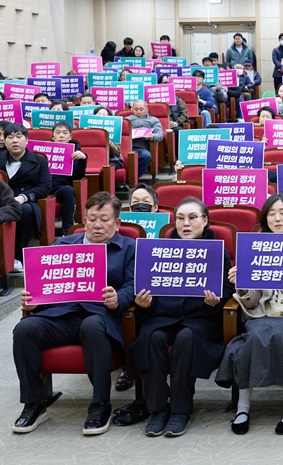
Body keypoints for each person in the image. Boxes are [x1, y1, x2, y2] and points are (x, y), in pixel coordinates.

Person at [12, 192, 135, 435]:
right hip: (61, 316)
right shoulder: (63, 245)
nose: (97, 225)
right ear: (84, 221)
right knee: (25, 329)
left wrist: (118, 298)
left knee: (92, 326)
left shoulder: (129, 248)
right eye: (92, 219)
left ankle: (100, 404)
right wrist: (34, 300)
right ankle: (34, 403)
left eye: (104, 219)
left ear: (117, 223)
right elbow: (44, 283)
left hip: (102, 317)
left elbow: (133, 286)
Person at [216, 194, 283, 435]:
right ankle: (243, 408)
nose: (277, 218)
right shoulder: (255, 247)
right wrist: (241, 285)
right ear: (265, 219)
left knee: (274, 335)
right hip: (263, 316)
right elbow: (251, 300)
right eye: (271, 214)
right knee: (256, 336)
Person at [129, 196, 233, 437]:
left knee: (187, 338)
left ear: (205, 221)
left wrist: (215, 302)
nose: (186, 223)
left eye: (193, 218)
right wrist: (143, 304)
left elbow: (228, 292)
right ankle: (157, 409)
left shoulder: (218, 251)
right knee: (152, 338)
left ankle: (180, 410)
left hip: (201, 320)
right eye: (180, 218)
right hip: (162, 317)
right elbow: (147, 288)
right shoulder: (159, 250)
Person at [0, 124, 52, 271]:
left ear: (27, 140)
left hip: (28, 202)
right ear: (5, 141)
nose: (14, 141)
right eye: (10, 137)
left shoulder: (39, 161)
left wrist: (23, 197)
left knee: (26, 210)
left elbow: (45, 187)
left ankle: (17, 256)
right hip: (3, 201)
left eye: (18, 137)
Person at [49, 122, 87, 236]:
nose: (61, 135)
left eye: (65, 133)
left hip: (59, 189)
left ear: (70, 137)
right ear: (52, 136)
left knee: (68, 190)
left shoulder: (75, 153)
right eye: (58, 132)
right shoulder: (43, 150)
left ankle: (67, 229)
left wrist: (82, 160)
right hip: (42, 187)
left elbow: (78, 177)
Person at [125, 100, 163, 179]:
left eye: (141, 109)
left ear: (146, 110)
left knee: (146, 156)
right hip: (126, 147)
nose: (138, 112)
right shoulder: (125, 120)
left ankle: (132, 179)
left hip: (142, 147)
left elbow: (160, 134)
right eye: (136, 109)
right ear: (132, 109)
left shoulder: (153, 120)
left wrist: (153, 136)